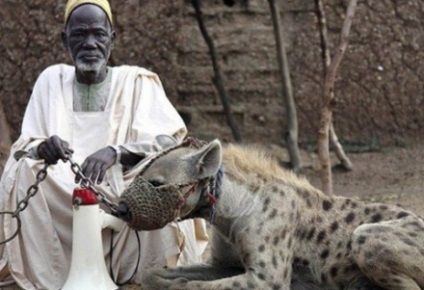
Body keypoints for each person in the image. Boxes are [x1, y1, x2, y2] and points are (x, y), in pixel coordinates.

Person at [0, 0, 208, 289]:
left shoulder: (136, 81)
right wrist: (43, 148)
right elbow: (26, 144)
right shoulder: (50, 80)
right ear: (65, 39)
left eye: (98, 34)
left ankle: (141, 275)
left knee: (161, 182)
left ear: (113, 38)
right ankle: (48, 275)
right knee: (22, 171)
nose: (89, 43)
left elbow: (170, 142)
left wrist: (116, 152)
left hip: (122, 183)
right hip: (60, 188)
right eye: (79, 34)